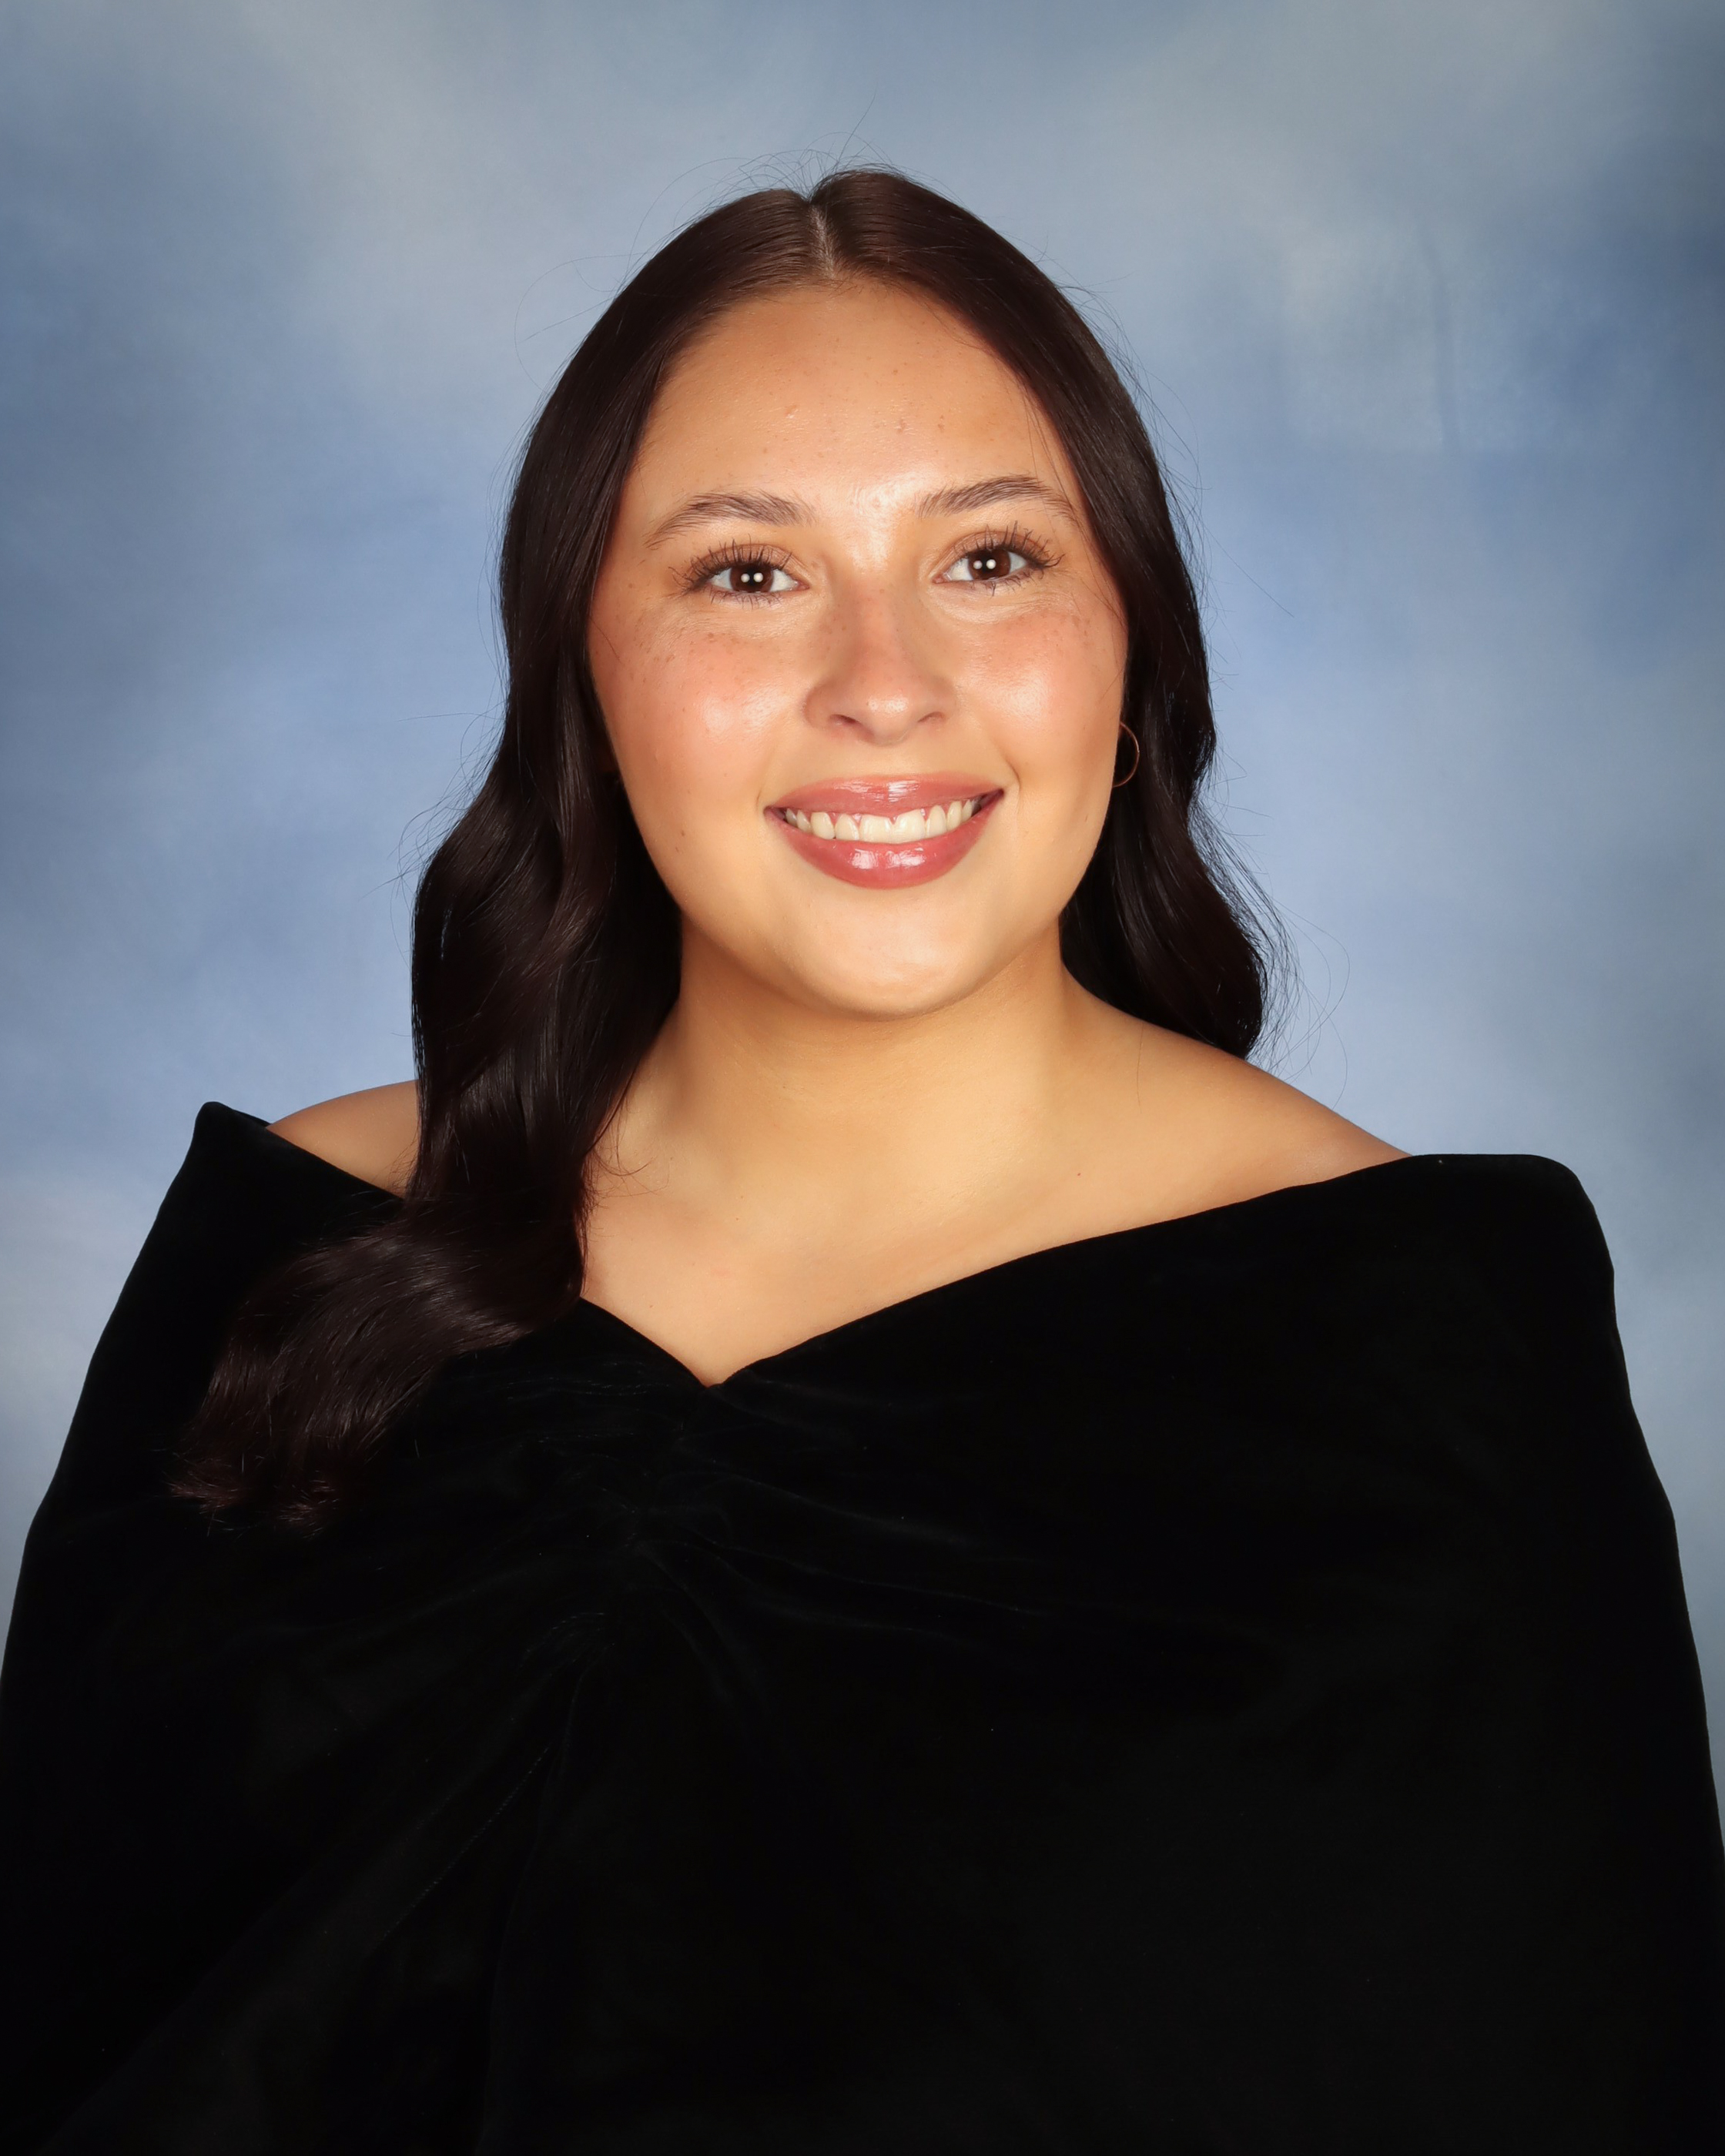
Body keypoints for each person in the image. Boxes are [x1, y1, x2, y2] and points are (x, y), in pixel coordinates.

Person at [1, 169, 1720, 2154]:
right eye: (748, 574)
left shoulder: (1432, 1345)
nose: (885, 685)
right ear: (583, 673)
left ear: (1129, 649)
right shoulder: (297, 1244)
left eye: (990, 558)